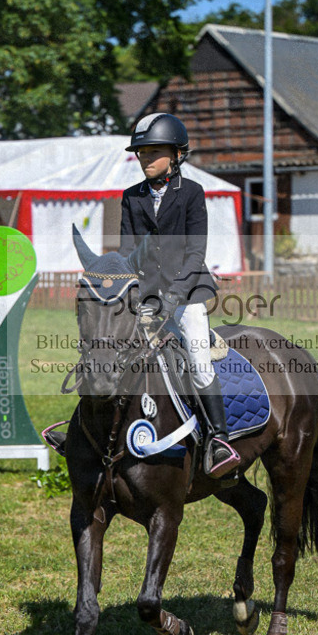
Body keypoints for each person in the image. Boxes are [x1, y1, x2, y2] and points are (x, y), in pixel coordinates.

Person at [119, 112, 239, 479]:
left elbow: (195, 253)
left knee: (200, 364)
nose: (145, 160)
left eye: (154, 152)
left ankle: (220, 440)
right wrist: (134, 294)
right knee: (108, 352)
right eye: (141, 153)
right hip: (147, 299)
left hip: (186, 294)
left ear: (176, 155)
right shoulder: (130, 198)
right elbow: (129, 252)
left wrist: (172, 298)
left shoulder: (191, 194)